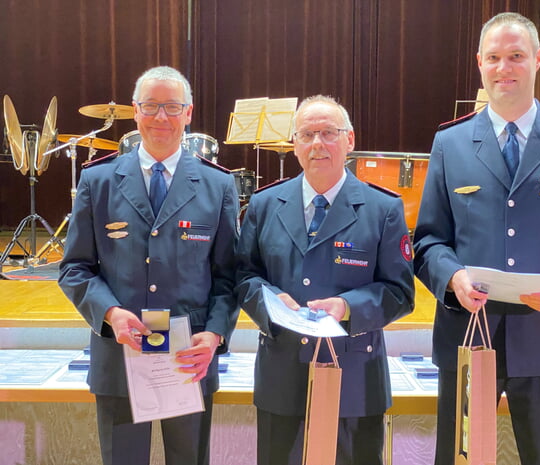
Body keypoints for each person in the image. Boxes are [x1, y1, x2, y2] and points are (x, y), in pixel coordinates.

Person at [413, 12, 540, 465]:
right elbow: (428, 242)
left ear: (538, 59)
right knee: (459, 459)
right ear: (479, 63)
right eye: (494, 58)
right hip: (468, 335)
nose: (504, 68)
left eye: (516, 56)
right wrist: (453, 278)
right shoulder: (451, 142)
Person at [58, 66, 239, 465]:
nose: (161, 117)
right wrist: (110, 313)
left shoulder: (218, 185)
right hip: (120, 355)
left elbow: (229, 277)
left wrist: (214, 335)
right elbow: (74, 269)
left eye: (172, 107)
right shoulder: (98, 181)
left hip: (189, 359)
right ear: (135, 111)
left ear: (188, 113)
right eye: (151, 106)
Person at [235, 94, 414, 465]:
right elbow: (244, 276)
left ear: (349, 140)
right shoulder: (265, 205)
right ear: (294, 145)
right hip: (282, 377)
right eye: (307, 134)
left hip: (354, 380)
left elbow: (400, 292)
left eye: (328, 133)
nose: (317, 143)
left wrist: (347, 307)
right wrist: (270, 300)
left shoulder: (382, 209)